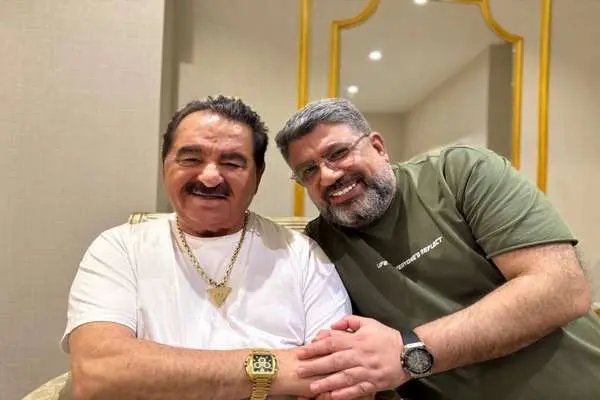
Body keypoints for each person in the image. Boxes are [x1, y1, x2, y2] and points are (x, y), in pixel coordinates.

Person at [275, 98, 600, 400]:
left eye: (338, 153)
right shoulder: (317, 245)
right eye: (308, 170)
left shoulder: (459, 172)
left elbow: (562, 289)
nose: (328, 175)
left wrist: (409, 351)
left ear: (378, 147)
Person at [61, 96, 354, 400]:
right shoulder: (119, 249)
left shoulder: (303, 254)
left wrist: (157, 372)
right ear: (164, 166)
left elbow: (340, 378)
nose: (210, 177)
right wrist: (276, 368)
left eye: (232, 163)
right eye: (191, 159)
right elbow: (98, 374)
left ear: (257, 176)